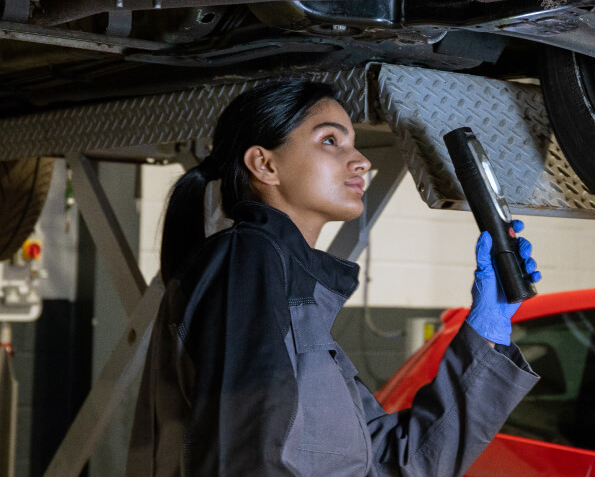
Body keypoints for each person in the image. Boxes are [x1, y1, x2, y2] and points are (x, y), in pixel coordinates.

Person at [126, 80, 541, 476]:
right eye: (330, 141)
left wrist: (486, 330)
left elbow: (399, 463)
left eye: (353, 144)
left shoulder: (296, 302)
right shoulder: (248, 257)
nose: (360, 160)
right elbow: (244, 455)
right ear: (264, 164)